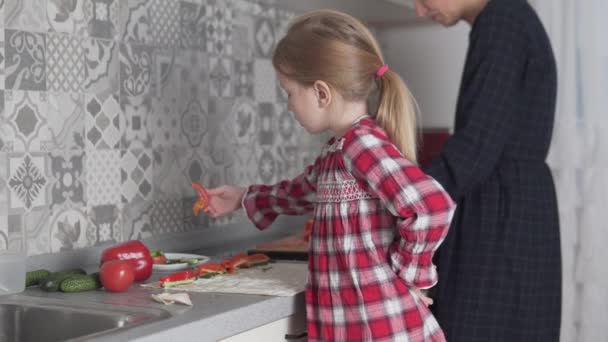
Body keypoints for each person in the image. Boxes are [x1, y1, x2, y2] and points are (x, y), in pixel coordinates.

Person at [204, 9, 456, 342]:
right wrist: (243, 197)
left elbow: (432, 206)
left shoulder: (361, 146)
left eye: (290, 93)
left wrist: (409, 275)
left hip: (381, 328)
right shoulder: (339, 151)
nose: (290, 105)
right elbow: (302, 191)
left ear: (321, 93)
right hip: (357, 325)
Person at [413, 0, 562, 341]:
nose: (420, 10)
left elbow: (474, 148)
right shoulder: (509, 19)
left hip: (501, 218)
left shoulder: (502, 21)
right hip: (515, 209)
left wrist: (403, 200)